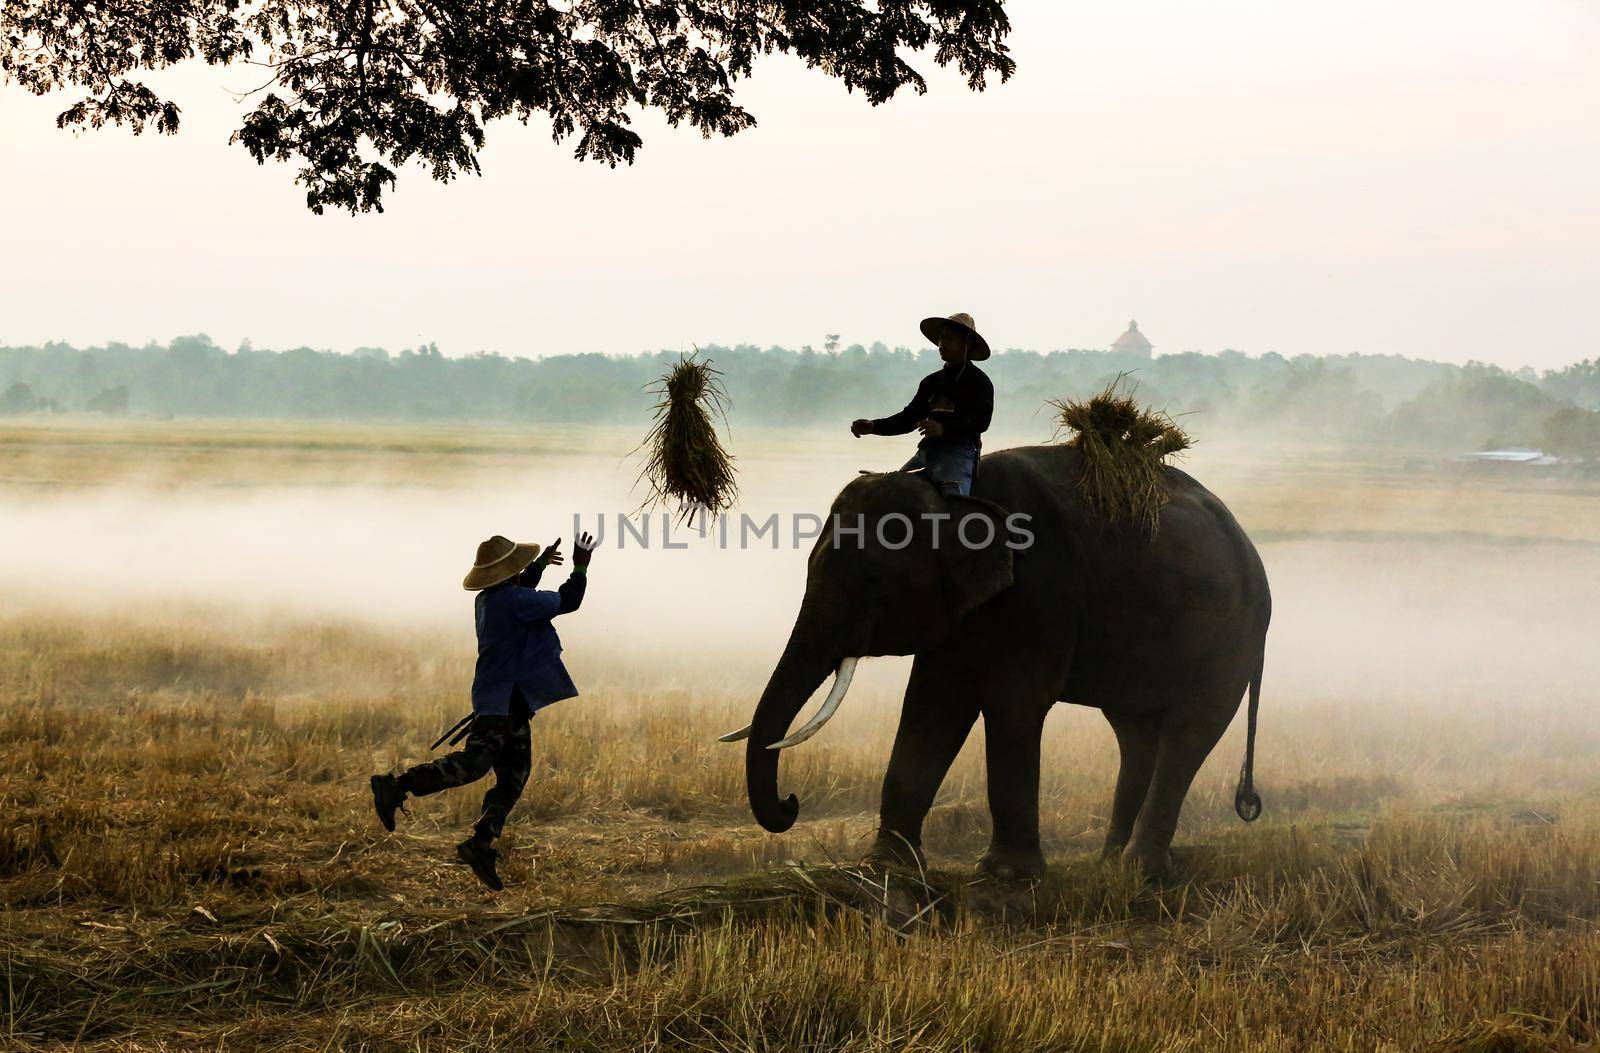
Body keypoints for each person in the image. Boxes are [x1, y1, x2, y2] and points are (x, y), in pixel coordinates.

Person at [370, 531, 596, 891]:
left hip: (508, 703)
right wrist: (580, 566)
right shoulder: (512, 601)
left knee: (514, 775)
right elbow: (568, 600)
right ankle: (396, 786)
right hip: (502, 703)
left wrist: (538, 565)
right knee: (475, 764)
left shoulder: (491, 600)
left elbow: (523, 589)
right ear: (510, 573)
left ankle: (481, 842)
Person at [851, 312, 994, 496]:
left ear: (966, 343)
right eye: (941, 338)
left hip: (959, 454)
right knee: (892, 493)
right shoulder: (931, 382)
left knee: (952, 508)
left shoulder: (979, 382)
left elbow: (981, 421)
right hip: (928, 452)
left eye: (949, 338)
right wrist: (873, 426)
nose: (942, 343)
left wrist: (944, 429)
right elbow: (909, 418)